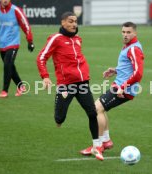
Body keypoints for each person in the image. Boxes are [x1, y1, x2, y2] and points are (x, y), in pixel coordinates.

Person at [36, 12, 103, 161]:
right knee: (60, 118)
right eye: (70, 21)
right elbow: (41, 57)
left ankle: (96, 146)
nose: (74, 24)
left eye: (75, 22)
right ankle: (59, 117)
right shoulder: (55, 39)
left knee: (92, 113)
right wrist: (45, 77)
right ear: (63, 23)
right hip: (66, 85)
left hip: (82, 83)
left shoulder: (78, 39)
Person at [80, 22, 145, 155]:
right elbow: (129, 67)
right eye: (123, 32)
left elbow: (138, 73)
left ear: (135, 33)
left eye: (128, 32)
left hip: (123, 89)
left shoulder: (134, 48)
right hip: (120, 86)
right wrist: (116, 70)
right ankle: (106, 141)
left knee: (96, 109)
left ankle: (97, 146)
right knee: (101, 109)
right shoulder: (128, 46)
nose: (125, 35)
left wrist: (123, 87)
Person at [0, 0, 35, 98]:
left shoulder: (16, 10)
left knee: (7, 65)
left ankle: (5, 90)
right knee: (10, 66)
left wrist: (30, 41)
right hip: (2, 44)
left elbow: (25, 25)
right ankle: (21, 86)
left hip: (13, 43)